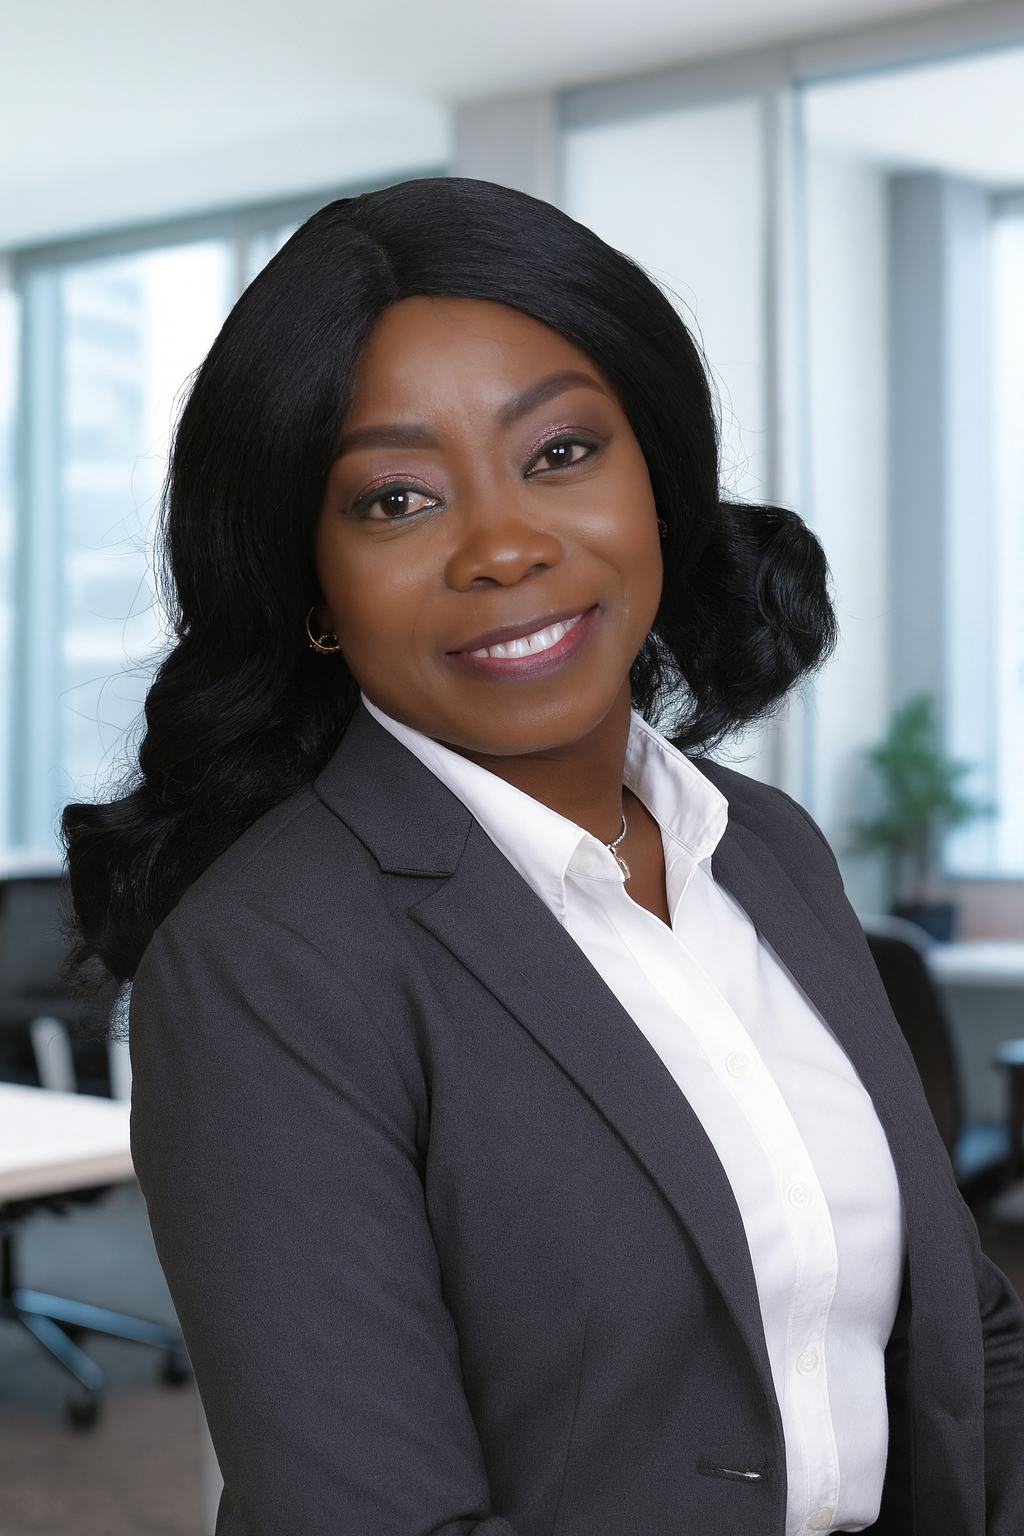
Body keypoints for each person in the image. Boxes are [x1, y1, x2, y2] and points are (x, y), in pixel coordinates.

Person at [64, 178, 1024, 1536]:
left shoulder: (767, 854)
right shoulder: (265, 968)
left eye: (561, 453)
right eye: (395, 499)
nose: (505, 545)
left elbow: (962, 1342)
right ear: (310, 589)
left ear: (658, 483)